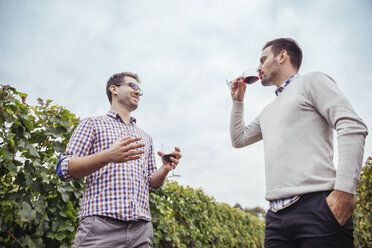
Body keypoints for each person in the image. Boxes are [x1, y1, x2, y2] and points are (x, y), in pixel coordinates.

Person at [229, 38, 368, 248]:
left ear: (282, 56)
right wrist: (238, 102)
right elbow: (238, 139)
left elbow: (351, 125)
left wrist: (345, 191)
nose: (259, 67)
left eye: (263, 59)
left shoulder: (312, 82)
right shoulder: (267, 111)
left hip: (317, 210)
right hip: (275, 219)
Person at [56, 71, 182, 247]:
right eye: (133, 86)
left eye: (140, 90)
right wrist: (108, 156)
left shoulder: (145, 137)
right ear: (114, 89)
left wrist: (165, 169)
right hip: (101, 226)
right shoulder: (92, 124)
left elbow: (151, 184)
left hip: (141, 229)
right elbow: (64, 169)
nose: (138, 92)